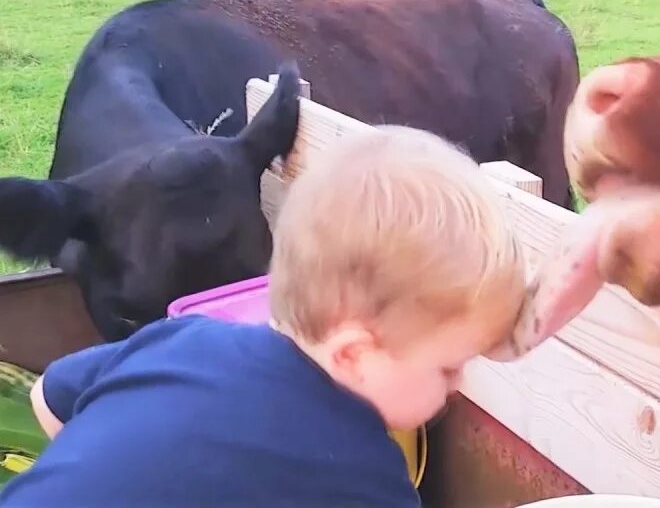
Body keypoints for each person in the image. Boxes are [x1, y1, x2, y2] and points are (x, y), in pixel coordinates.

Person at [0, 125, 529, 507]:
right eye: (449, 367)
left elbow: (50, 397)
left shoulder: (184, 339)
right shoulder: (363, 477)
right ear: (354, 353)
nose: (458, 386)